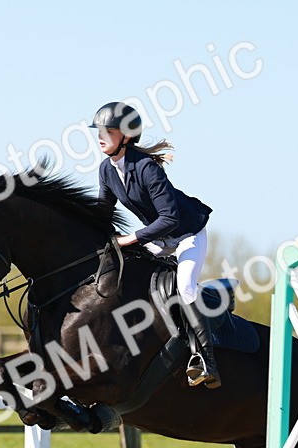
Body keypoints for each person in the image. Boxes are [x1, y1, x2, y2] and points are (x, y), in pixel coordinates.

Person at [90, 101, 220, 388]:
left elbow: (170, 218)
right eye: (98, 131)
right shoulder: (106, 170)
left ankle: (206, 360)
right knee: (123, 269)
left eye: (107, 131)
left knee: (185, 286)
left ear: (126, 136)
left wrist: (130, 238)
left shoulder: (147, 167)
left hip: (187, 234)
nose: (100, 137)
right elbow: (103, 213)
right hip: (158, 239)